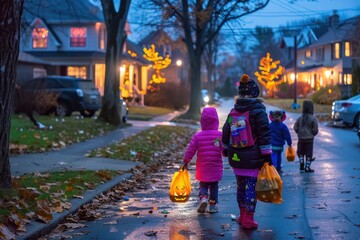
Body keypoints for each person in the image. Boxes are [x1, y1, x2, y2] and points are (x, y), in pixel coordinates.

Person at [222, 74, 272, 230]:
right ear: (254, 93)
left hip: (236, 157)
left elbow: (226, 130)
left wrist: (225, 149)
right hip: (252, 157)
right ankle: (248, 218)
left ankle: (242, 215)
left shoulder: (233, 111)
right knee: (250, 187)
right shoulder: (258, 111)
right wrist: (267, 155)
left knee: (240, 186)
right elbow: (264, 134)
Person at [183, 107, 223, 214]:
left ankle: (204, 198)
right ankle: (212, 206)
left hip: (202, 167)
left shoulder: (198, 136)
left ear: (202, 121)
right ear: (216, 120)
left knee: (203, 185)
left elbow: (190, 150)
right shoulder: (220, 135)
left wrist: (186, 161)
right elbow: (224, 150)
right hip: (215, 166)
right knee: (214, 186)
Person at [293, 100, 318, 173]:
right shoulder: (313, 118)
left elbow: (295, 127)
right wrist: (313, 133)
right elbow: (315, 129)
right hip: (309, 139)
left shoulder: (300, 118)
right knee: (309, 153)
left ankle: (301, 163)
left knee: (301, 152)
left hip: (301, 138)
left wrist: (299, 132)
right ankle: (307, 167)